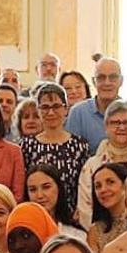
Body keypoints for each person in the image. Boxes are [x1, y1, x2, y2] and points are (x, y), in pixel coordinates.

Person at [76, 100, 127, 229]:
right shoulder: (92, 166)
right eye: (115, 122)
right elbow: (85, 210)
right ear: (106, 126)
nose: (122, 127)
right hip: (102, 235)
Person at [20, 83, 91, 224]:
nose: (51, 113)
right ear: (38, 111)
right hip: (36, 217)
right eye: (45, 107)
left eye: (56, 106)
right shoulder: (27, 145)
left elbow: (85, 185)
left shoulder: (80, 146)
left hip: (71, 219)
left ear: (66, 109)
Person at [67, 58, 127, 153]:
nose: (107, 83)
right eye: (101, 77)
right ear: (94, 82)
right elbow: (72, 155)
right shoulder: (78, 113)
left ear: (121, 81)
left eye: (113, 77)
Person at [25, 164, 85, 241]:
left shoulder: (77, 235)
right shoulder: (21, 235)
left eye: (46, 187)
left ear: (59, 188)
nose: (39, 195)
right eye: (33, 190)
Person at [86, 162, 127, 253]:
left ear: (124, 185)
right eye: (98, 186)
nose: (103, 189)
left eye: (110, 182)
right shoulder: (95, 231)